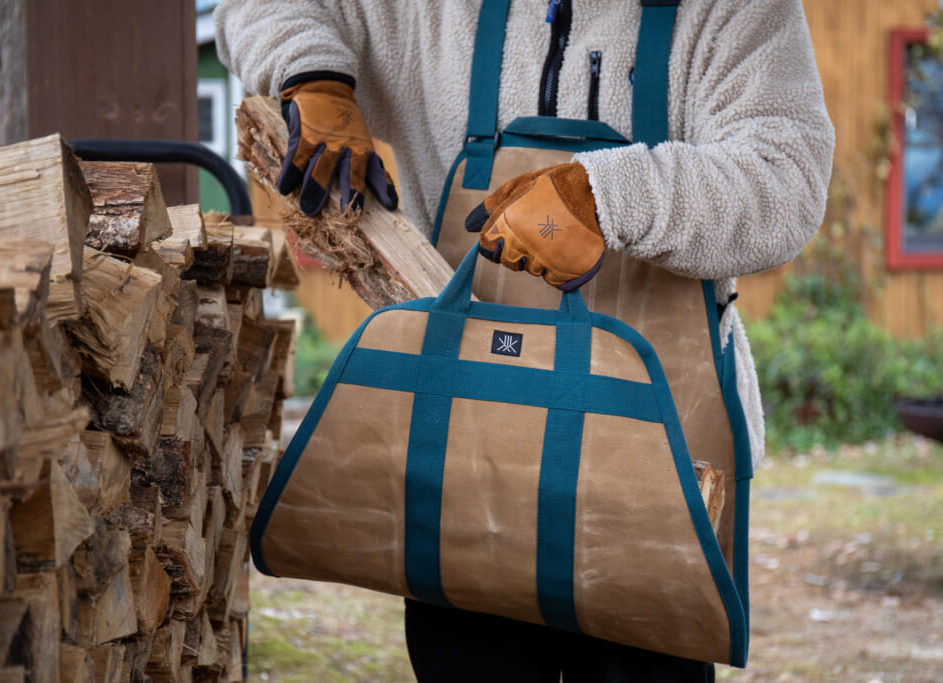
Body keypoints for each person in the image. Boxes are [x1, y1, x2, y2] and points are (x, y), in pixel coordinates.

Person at [216, 1, 834, 680]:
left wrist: (603, 196)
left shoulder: (733, 10)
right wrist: (312, 74)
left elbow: (787, 177)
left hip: (656, 476)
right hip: (461, 461)